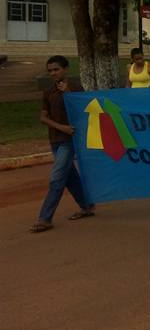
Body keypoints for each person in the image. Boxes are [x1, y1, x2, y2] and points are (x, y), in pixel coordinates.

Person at [30, 56, 95, 233]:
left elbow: (83, 112)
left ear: (65, 69)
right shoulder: (49, 91)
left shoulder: (76, 88)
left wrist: (68, 93)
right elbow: (43, 117)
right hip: (56, 139)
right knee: (69, 176)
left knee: (57, 178)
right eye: (50, 70)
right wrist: (61, 127)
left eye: (56, 69)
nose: (53, 73)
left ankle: (45, 218)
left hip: (70, 141)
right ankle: (87, 205)